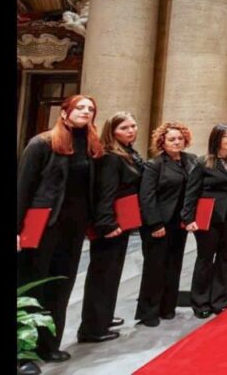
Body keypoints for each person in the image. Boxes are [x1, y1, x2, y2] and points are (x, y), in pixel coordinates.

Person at [17, 95, 104, 368]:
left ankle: (48, 345)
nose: (86, 112)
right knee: (32, 286)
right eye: (80, 107)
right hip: (41, 225)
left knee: (61, 286)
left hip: (73, 228)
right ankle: (23, 353)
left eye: (90, 109)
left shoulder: (90, 144)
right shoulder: (41, 143)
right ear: (65, 112)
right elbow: (23, 189)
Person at [78, 112, 143, 344]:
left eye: (133, 126)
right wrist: (107, 223)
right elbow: (106, 192)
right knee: (102, 274)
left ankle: (103, 316)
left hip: (123, 220)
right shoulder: (110, 157)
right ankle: (92, 327)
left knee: (112, 273)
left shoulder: (127, 152)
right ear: (112, 131)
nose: (131, 130)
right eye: (124, 127)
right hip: (111, 222)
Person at [183, 124, 227, 318]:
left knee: (224, 257)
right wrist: (188, 218)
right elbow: (191, 192)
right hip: (209, 217)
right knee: (206, 258)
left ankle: (219, 300)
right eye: (226, 137)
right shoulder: (203, 162)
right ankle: (200, 302)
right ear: (217, 139)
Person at [137, 122, 198, 326]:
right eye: (171, 139)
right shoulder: (155, 165)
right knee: (155, 268)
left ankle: (167, 307)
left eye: (180, 138)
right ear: (162, 141)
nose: (176, 142)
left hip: (179, 222)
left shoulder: (191, 160)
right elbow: (147, 197)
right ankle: (149, 312)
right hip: (159, 223)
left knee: (174, 265)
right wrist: (155, 224)